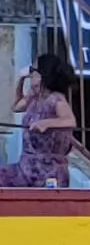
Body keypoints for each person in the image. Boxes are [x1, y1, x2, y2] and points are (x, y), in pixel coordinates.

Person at [2, 53, 77, 190]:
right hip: (27, 167)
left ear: (43, 74)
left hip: (48, 170)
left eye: (33, 71)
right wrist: (21, 79)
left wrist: (46, 123)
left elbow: (69, 120)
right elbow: (16, 106)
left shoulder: (56, 99)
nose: (31, 74)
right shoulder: (34, 96)